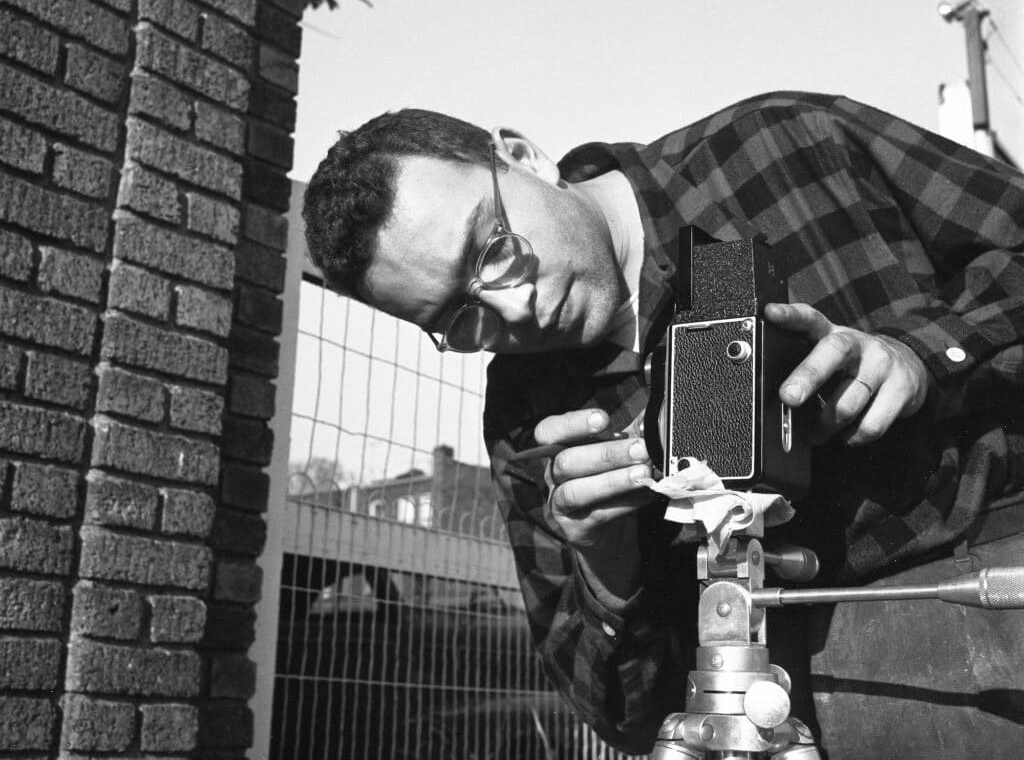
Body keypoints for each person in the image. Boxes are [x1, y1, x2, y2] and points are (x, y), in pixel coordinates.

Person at [302, 92, 1024, 758]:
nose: (512, 309)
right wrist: (608, 567)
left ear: (522, 157)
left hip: (1000, 576)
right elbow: (621, 716)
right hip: (779, 703)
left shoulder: (778, 145)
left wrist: (927, 354)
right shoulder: (527, 419)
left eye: (491, 250)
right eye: (462, 318)